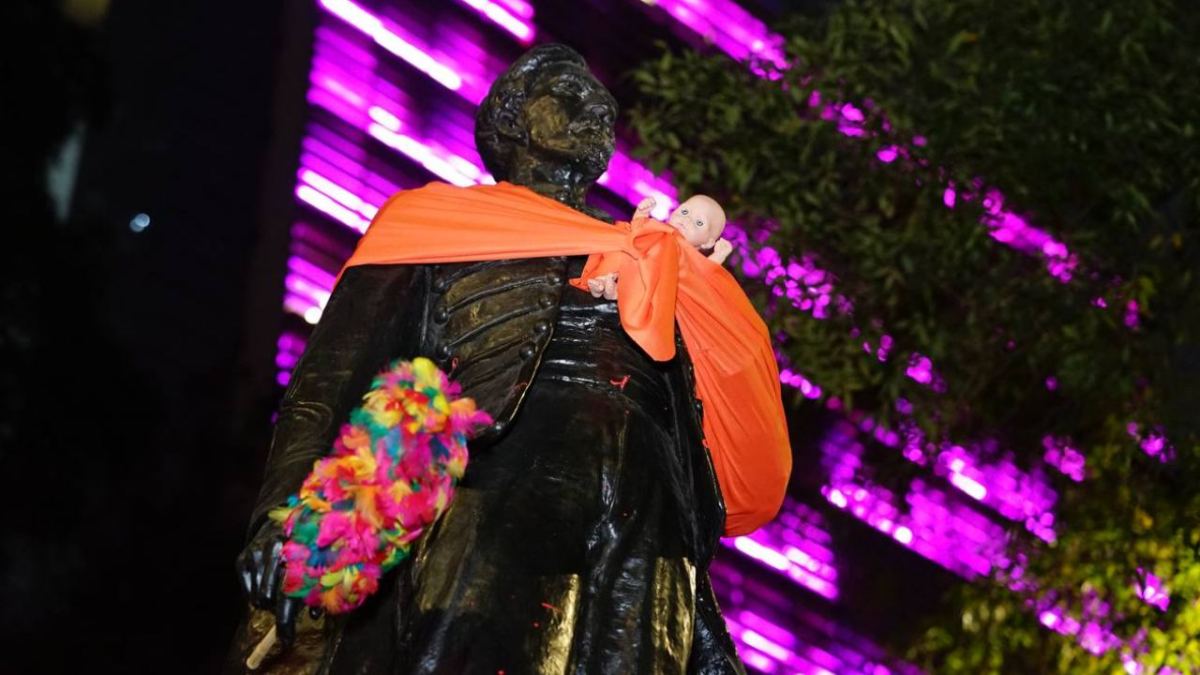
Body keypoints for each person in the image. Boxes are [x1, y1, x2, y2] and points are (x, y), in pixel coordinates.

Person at [227, 44, 759, 674]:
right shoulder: (433, 226)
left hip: (648, 518)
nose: (598, 105)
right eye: (567, 92)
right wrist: (280, 516)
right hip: (494, 491)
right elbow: (325, 384)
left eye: (596, 97)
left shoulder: (645, 251)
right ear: (512, 119)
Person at [587, 195, 733, 301]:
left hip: (650, 283)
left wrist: (718, 256)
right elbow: (638, 230)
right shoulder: (660, 228)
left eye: (699, 223)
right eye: (684, 212)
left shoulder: (688, 256)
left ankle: (615, 293)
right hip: (631, 261)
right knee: (619, 251)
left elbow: (701, 274)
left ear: (708, 243)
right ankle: (601, 282)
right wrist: (642, 213)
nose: (687, 219)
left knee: (655, 282)